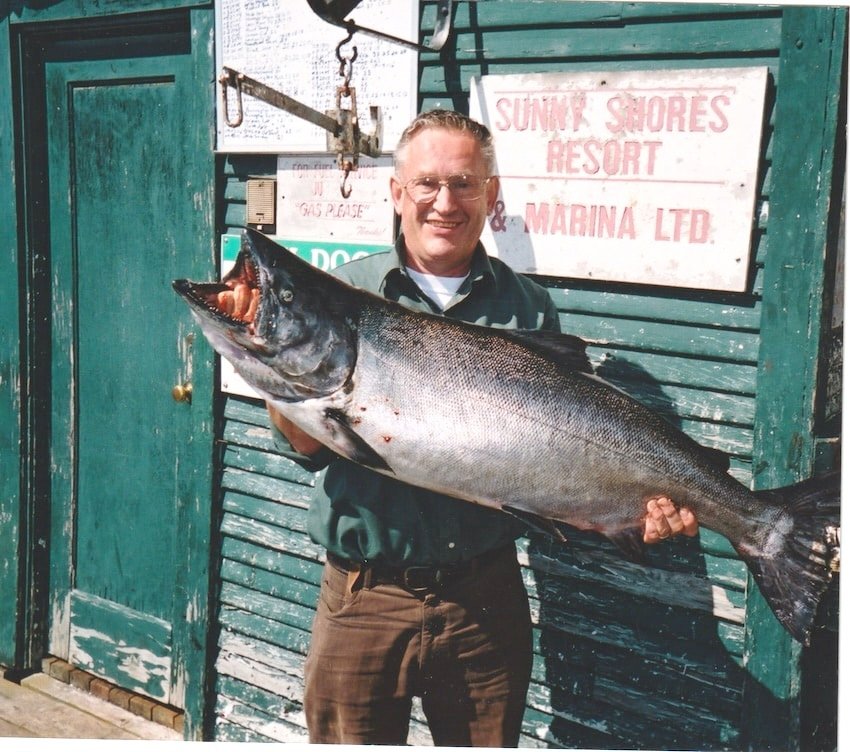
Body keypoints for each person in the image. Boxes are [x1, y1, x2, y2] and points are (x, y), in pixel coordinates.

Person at [225, 109, 698, 746]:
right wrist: (273, 362)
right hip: (367, 594)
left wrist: (632, 510)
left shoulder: (525, 305)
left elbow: (559, 465)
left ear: (489, 196)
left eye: (464, 184)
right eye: (426, 184)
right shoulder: (349, 290)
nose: (444, 202)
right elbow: (309, 444)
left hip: (486, 595)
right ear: (397, 193)